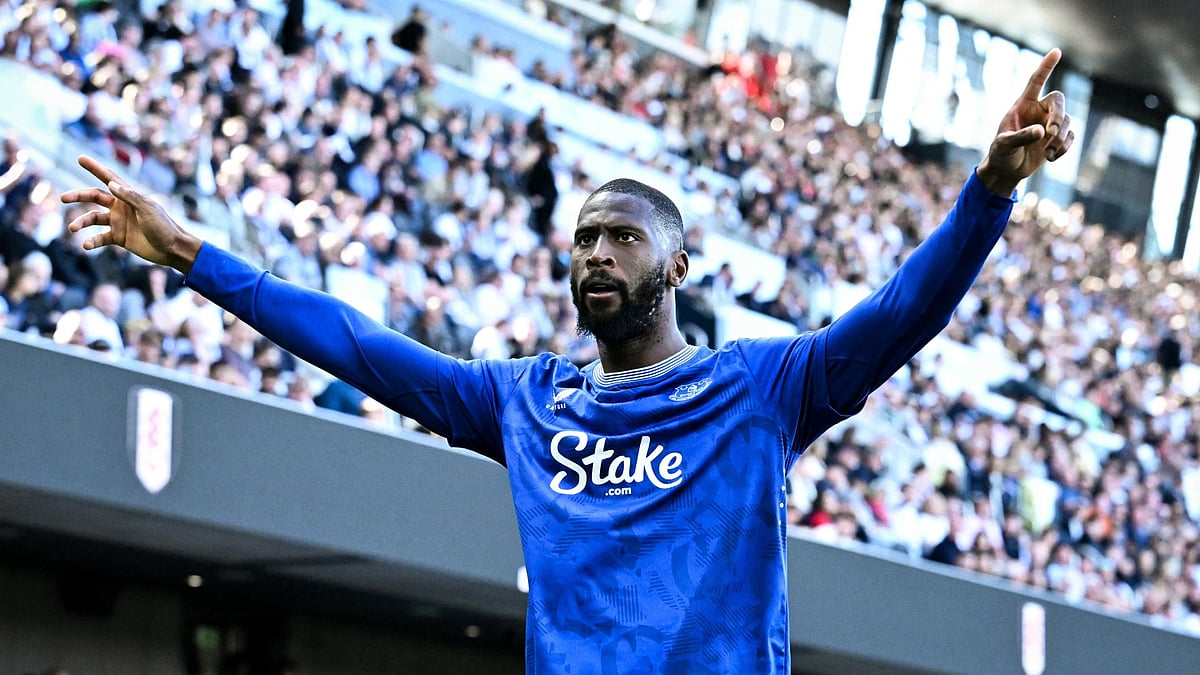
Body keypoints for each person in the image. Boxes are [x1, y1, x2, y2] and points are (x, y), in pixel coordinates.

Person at [62, 50, 1074, 674]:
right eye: (585, 236)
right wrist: (190, 253)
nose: (596, 250)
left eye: (623, 237)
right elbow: (356, 343)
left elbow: (902, 315)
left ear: (679, 262)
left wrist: (988, 192)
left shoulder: (760, 389)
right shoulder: (526, 402)